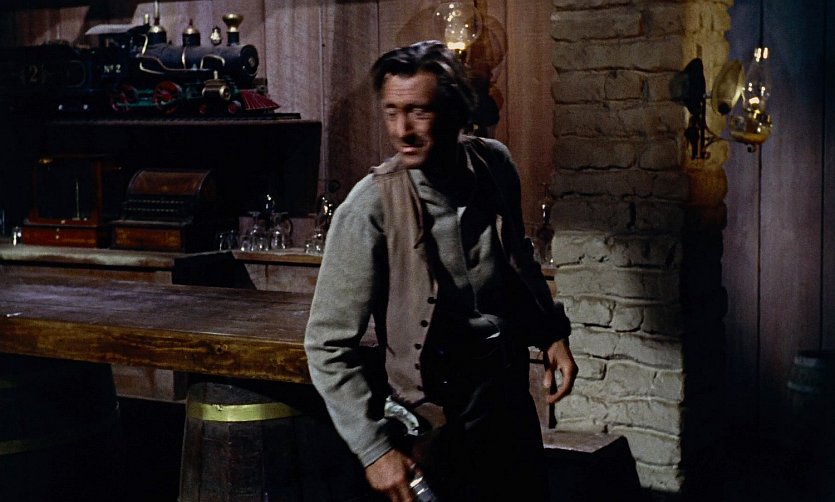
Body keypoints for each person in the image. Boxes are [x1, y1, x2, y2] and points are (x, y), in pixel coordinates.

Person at [304, 40, 577, 502]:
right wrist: (373, 450)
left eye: (419, 112)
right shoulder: (370, 207)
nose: (403, 131)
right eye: (392, 112)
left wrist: (551, 334)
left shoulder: (494, 164)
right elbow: (326, 346)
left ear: (455, 111)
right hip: (434, 421)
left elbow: (518, 261)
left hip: (506, 401)